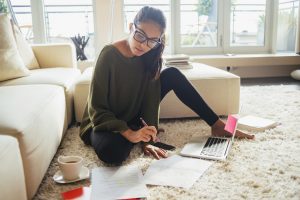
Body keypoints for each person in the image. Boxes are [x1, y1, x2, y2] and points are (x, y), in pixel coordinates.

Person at [79, 6, 254, 165]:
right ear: (131, 27)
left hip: (133, 115)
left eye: (152, 40)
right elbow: (97, 109)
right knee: (112, 154)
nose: (143, 44)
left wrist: (149, 138)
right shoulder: (109, 55)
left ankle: (216, 124)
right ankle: (134, 131)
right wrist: (129, 133)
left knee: (172, 74)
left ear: (159, 40)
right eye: (140, 35)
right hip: (104, 121)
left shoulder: (151, 53)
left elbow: (150, 100)